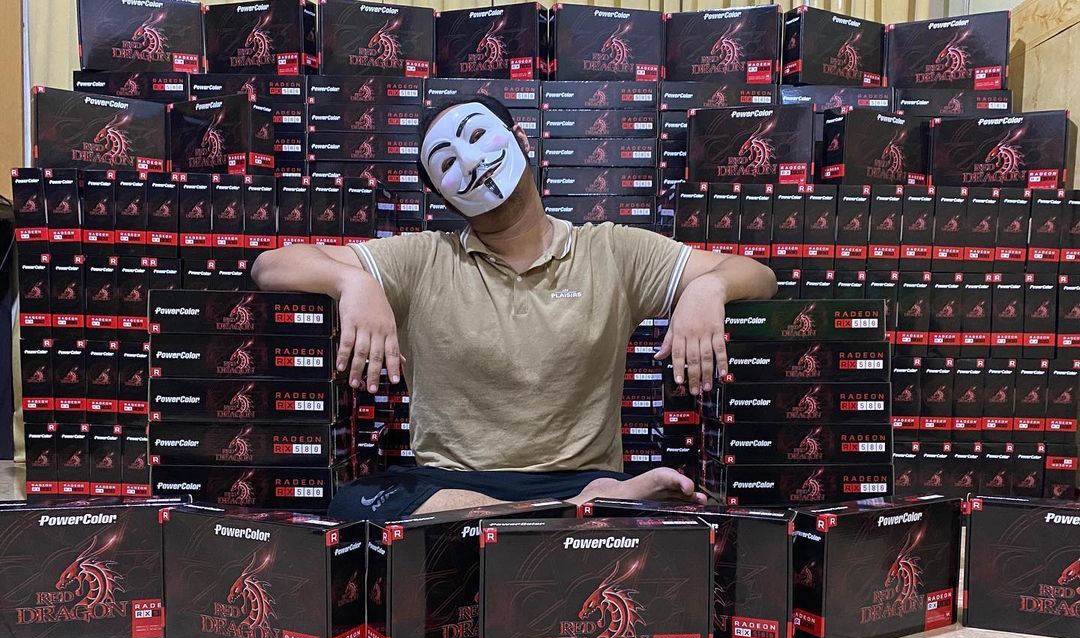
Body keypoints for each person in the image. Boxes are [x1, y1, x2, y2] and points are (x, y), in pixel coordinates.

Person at [251, 95, 777, 518]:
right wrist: (352, 281)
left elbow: (760, 277)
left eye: (477, 137)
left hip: (582, 476)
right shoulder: (423, 258)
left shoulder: (611, 250)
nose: (470, 162)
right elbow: (269, 266)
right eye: (447, 163)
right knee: (353, 504)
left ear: (521, 139)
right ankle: (562, 516)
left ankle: (553, 511)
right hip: (452, 485)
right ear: (442, 195)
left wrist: (708, 289)